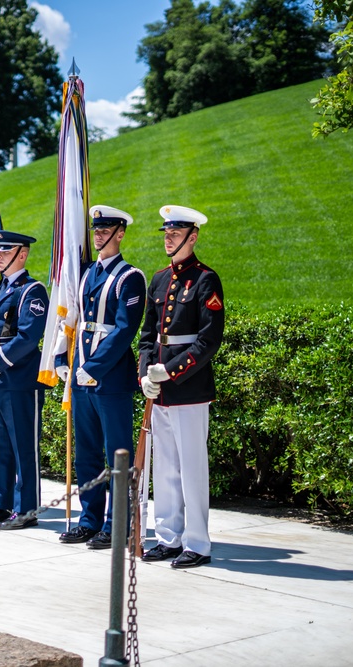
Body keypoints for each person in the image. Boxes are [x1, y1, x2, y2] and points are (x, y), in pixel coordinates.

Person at [138, 205, 225, 569]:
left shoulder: (206, 280)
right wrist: (144, 374)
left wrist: (169, 372)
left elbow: (209, 340)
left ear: (193, 236)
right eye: (166, 233)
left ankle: (198, 544)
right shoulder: (159, 279)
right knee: (167, 467)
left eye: (176, 233)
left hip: (188, 390)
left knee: (191, 468)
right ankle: (168, 538)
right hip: (159, 393)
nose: (169, 238)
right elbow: (147, 336)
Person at [56, 206, 146, 549]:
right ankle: (89, 519)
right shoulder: (85, 273)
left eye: (105, 229)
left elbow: (124, 331)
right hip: (80, 379)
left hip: (110, 382)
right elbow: (74, 319)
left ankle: (117, 524)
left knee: (115, 454)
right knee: (87, 454)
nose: (98, 235)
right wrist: (62, 356)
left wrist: (91, 368)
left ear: (120, 233)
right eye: (96, 229)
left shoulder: (130, 277)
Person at [0, 230, 49, 530]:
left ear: (23, 254)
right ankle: (0, 504)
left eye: (6, 251)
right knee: (0, 446)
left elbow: (28, 337)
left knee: (22, 446)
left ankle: (26, 508)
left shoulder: (32, 291)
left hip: (17, 380)